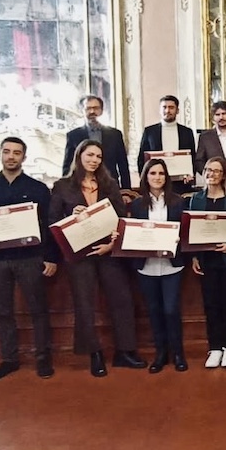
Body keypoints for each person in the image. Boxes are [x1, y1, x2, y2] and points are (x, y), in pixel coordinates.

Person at [49, 139, 146, 377]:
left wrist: (112, 243)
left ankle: (125, 351)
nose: (94, 160)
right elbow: (53, 221)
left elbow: (121, 217)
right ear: (79, 155)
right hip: (79, 254)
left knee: (122, 299)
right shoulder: (63, 186)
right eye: (90, 155)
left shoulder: (109, 184)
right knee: (84, 304)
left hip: (107, 250)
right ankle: (94, 353)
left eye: (98, 157)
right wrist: (71, 216)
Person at [0, 137, 57, 381]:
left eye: (17, 152)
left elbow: (49, 226)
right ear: (1, 155)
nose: (11, 156)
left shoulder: (38, 189)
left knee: (38, 309)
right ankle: (9, 359)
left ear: (24, 157)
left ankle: (43, 357)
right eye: (7, 152)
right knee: (3, 312)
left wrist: (50, 257)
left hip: (30, 258)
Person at [128, 159, 189, 373]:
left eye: (161, 173)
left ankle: (178, 352)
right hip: (147, 267)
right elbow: (133, 234)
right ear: (146, 176)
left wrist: (176, 240)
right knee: (154, 311)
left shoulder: (178, 202)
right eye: (152, 173)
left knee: (171, 309)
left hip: (172, 266)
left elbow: (185, 233)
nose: (157, 177)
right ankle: (161, 354)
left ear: (167, 176)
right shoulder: (136, 204)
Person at [189, 157, 226, 368]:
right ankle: (214, 348)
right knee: (211, 305)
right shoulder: (196, 199)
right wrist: (194, 256)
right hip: (207, 261)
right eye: (208, 170)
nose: (212, 174)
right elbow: (191, 230)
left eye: (217, 171)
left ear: (224, 175)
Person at [62, 95, 131, 188]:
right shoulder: (73, 135)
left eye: (96, 108)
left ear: (101, 111)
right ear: (82, 111)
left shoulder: (115, 134)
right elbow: (68, 165)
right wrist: (65, 189)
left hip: (110, 185)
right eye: (88, 108)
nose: (92, 111)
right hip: (81, 186)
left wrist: (126, 190)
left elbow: (123, 164)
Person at [136, 95, 196, 194]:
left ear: (177, 110)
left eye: (171, 107)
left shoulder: (187, 132)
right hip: (156, 184)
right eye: (164, 107)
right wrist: (145, 179)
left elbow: (193, 157)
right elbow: (142, 159)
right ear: (160, 110)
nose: (167, 111)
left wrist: (190, 174)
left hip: (180, 185)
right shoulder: (149, 131)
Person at [194, 101, 226, 175]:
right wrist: (209, 174)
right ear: (213, 118)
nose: (221, 117)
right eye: (217, 114)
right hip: (214, 182)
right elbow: (199, 161)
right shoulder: (205, 137)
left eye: (224, 113)